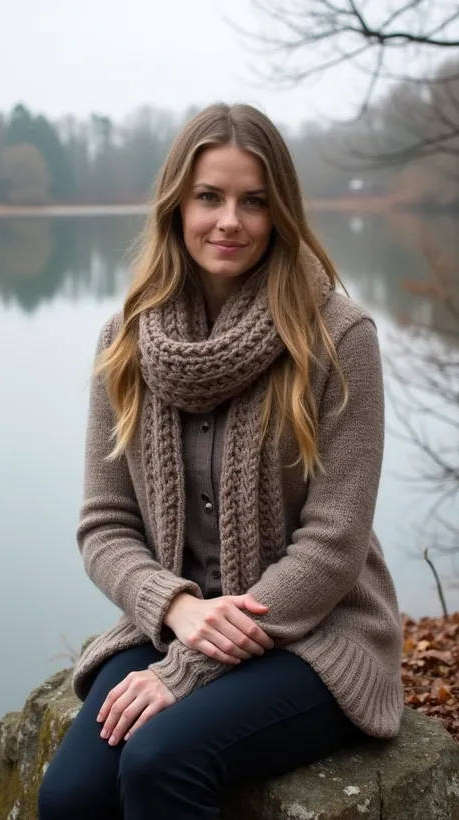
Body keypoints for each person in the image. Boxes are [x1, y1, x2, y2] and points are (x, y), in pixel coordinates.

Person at [39, 103, 404, 820]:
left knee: (161, 759)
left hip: (317, 634)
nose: (228, 221)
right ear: (177, 203)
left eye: (253, 201)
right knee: (70, 797)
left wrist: (190, 668)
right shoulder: (126, 340)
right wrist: (172, 606)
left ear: (281, 213)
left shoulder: (339, 336)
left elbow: (333, 545)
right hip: (176, 620)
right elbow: (104, 525)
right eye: (209, 197)